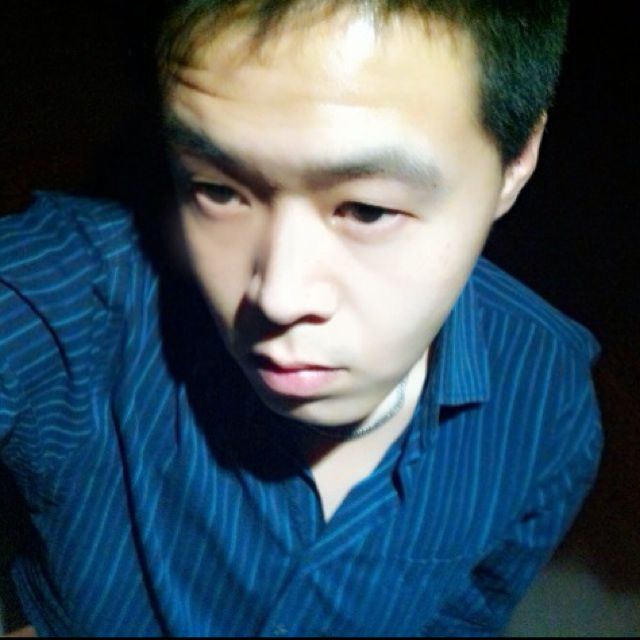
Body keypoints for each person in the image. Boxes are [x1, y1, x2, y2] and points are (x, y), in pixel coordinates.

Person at [0, 0, 603, 636]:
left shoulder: (548, 399)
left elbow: (466, 613)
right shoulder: (75, 306)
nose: (277, 297)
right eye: (218, 189)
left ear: (516, 161)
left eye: (368, 209)